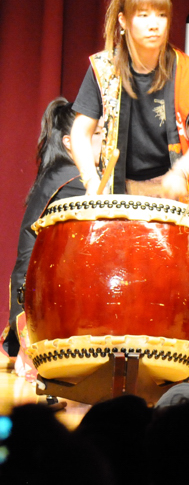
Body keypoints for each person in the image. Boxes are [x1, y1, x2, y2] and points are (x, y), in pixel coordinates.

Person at [70, 0, 189, 200]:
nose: (154, 25)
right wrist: (90, 179)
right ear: (123, 21)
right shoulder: (104, 68)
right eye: (143, 15)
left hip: (173, 188)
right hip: (118, 190)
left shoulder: (186, 69)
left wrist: (181, 171)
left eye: (161, 15)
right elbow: (80, 132)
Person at [4, 98, 90, 364]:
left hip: (28, 299)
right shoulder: (74, 181)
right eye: (95, 133)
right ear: (70, 142)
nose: (103, 140)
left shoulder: (57, 174)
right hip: (39, 310)